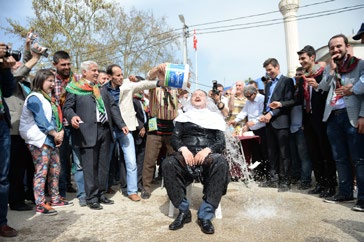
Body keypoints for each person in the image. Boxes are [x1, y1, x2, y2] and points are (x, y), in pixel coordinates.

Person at [307, 34, 364, 212]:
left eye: (339, 46)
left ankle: (362, 198)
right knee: (340, 158)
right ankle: (345, 192)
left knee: (359, 159)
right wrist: (331, 71)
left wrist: (363, 115)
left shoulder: (359, 64)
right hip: (332, 116)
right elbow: (323, 88)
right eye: (332, 48)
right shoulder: (331, 68)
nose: (335, 50)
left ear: (347, 46)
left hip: (352, 115)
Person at [63, 61, 128, 210]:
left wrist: (121, 124)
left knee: (103, 166)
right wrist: (72, 117)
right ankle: (91, 197)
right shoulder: (75, 88)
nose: (97, 73)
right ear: (84, 72)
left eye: (97, 70)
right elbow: (67, 107)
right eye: (93, 70)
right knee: (90, 166)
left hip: (105, 130)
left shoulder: (101, 89)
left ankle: (100, 194)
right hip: (86, 132)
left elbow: (112, 107)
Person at [162, 89, 229, 234]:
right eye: (194, 95)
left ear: (207, 101)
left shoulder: (215, 118)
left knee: (221, 162)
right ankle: (183, 211)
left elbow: (221, 143)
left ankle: (205, 215)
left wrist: (208, 150)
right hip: (186, 156)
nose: (197, 96)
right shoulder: (183, 118)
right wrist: (183, 148)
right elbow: (175, 139)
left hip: (208, 156)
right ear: (190, 100)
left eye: (201, 95)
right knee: (168, 163)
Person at [105, 63, 166, 202]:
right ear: (110, 77)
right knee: (106, 161)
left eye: (122, 74)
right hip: (108, 129)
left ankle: (132, 191)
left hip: (126, 128)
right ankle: (103, 188)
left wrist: (158, 82)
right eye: (118, 75)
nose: (121, 77)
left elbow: (143, 85)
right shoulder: (103, 90)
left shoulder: (128, 85)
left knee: (131, 161)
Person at [19, 69, 72, 216]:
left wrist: (59, 131)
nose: (52, 84)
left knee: (55, 169)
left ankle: (55, 198)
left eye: (53, 81)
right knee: (41, 171)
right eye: (49, 80)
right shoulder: (34, 97)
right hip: (38, 139)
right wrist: (55, 133)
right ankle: (40, 203)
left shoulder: (48, 98)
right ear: (40, 80)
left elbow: (53, 119)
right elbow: (41, 120)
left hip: (50, 138)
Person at [6, 32, 44, 211]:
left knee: (27, 166)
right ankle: (15, 201)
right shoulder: (8, 80)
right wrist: (34, 60)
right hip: (12, 131)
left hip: (25, 131)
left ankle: (27, 195)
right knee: (15, 169)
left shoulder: (23, 83)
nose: (18, 64)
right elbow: (23, 69)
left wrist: (27, 45)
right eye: (14, 64)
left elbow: (24, 65)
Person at [296, 45, 337, 197]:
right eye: (300, 59)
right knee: (314, 153)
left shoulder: (322, 73)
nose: (301, 61)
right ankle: (320, 183)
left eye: (303, 58)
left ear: (312, 57)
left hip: (321, 117)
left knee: (325, 153)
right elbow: (300, 99)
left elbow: (326, 93)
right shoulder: (303, 77)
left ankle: (331, 185)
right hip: (307, 119)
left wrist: (318, 86)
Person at [270, 66, 312, 190]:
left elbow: (298, 103)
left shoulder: (303, 92)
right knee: (294, 156)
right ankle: (297, 177)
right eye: (297, 74)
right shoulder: (295, 90)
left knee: (304, 156)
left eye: (301, 74)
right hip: (291, 127)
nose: (298, 76)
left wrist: (281, 103)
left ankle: (306, 180)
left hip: (300, 127)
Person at [141, 72, 181, 199]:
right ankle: (146, 188)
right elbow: (149, 78)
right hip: (155, 129)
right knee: (149, 160)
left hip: (171, 129)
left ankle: (175, 185)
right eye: (162, 76)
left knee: (175, 159)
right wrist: (158, 69)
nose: (164, 78)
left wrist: (184, 77)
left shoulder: (175, 90)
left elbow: (186, 86)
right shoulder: (154, 88)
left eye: (167, 76)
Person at [52, 50, 84, 206]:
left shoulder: (77, 79)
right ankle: (61, 194)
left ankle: (82, 192)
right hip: (59, 127)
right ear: (55, 65)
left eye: (68, 64)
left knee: (78, 159)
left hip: (75, 124)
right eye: (63, 64)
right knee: (61, 161)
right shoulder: (51, 80)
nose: (66, 67)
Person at [259, 58, 295, 192]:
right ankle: (273, 179)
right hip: (268, 123)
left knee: (284, 152)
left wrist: (272, 113)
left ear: (277, 67)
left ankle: (285, 181)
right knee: (271, 152)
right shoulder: (268, 85)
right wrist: (264, 114)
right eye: (267, 70)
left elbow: (290, 101)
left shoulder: (287, 81)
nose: (269, 73)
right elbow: (266, 103)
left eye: (270, 69)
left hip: (281, 121)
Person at [228, 85, 268, 180]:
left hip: (261, 129)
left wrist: (255, 121)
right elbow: (244, 112)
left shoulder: (262, 99)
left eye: (249, 96)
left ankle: (266, 174)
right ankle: (258, 174)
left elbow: (264, 113)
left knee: (264, 152)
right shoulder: (248, 100)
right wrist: (236, 120)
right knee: (255, 153)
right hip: (252, 130)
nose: (248, 98)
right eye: (246, 97)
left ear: (255, 93)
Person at [0, 42, 18, 237]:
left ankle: (2, 222)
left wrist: (5, 69)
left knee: (2, 177)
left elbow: (7, 91)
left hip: (2, 123)